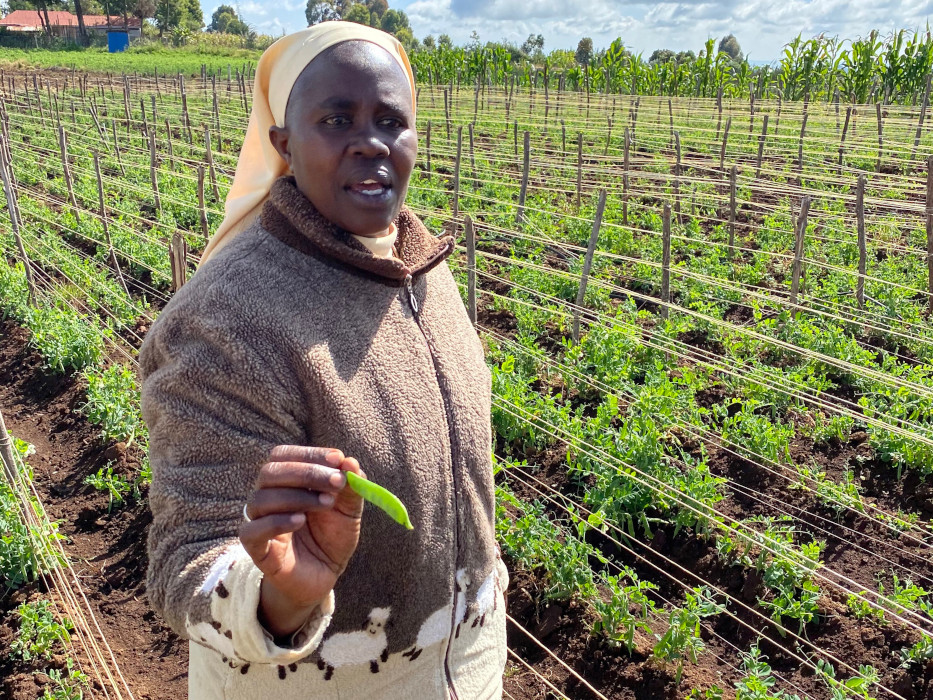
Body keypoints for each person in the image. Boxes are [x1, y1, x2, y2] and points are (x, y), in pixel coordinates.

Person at [139, 21, 507, 700]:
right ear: (283, 144)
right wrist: (278, 596)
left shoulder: (423, 268)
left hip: (467, 667)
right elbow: (186, 563)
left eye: (390, 120)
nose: (370, 140)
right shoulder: (227, 319)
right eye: (337, 118)